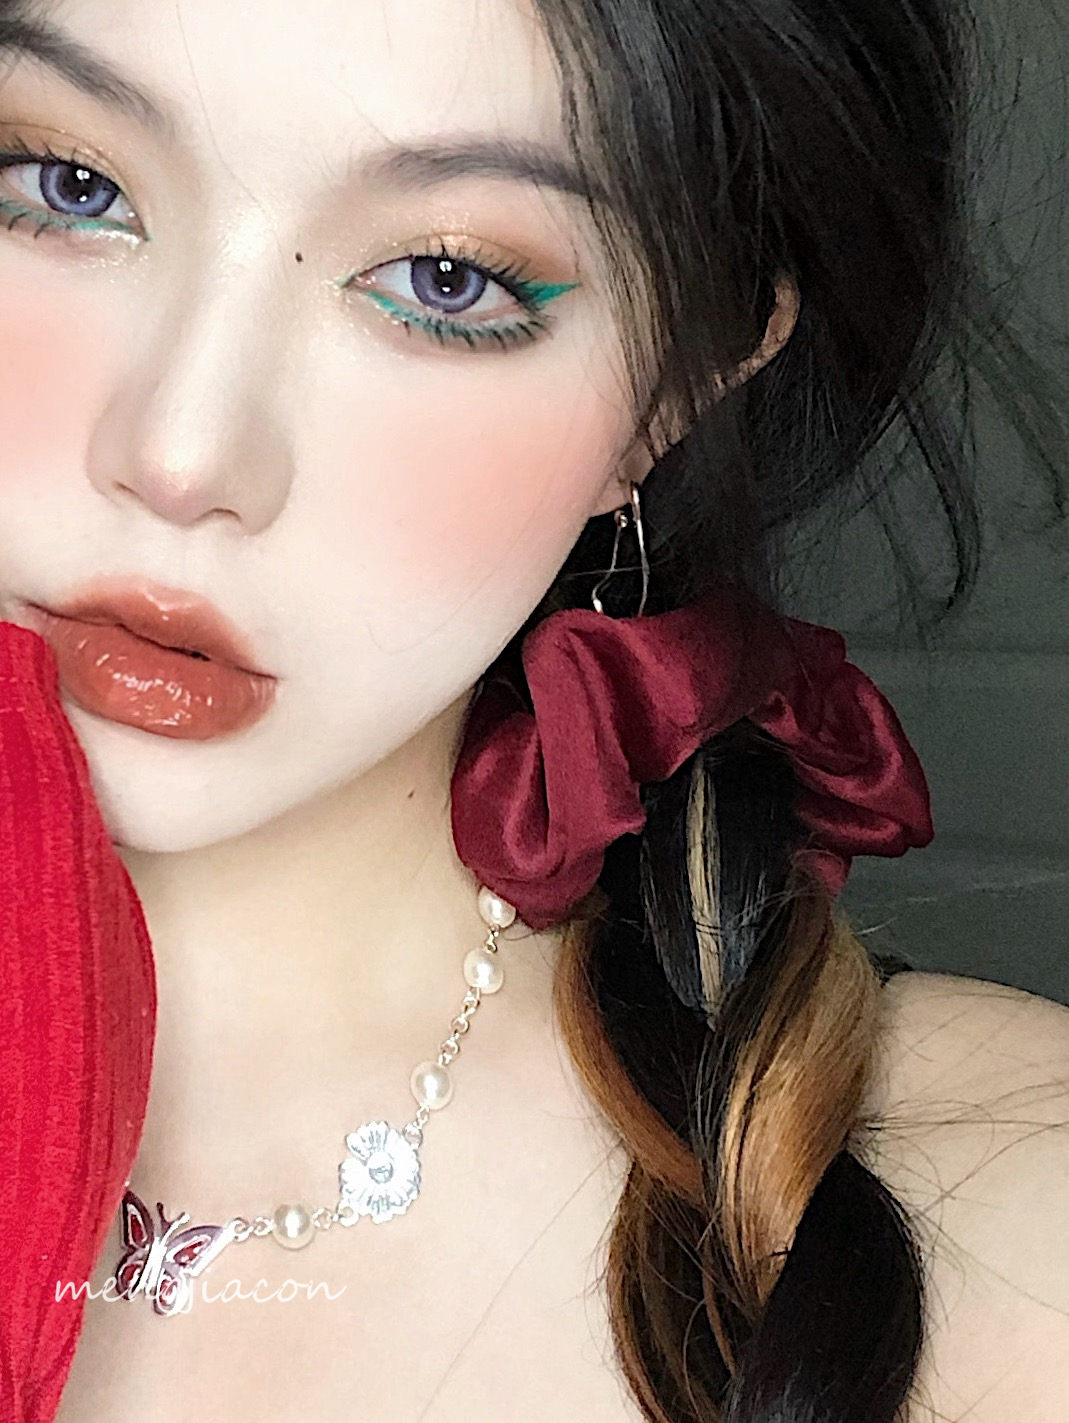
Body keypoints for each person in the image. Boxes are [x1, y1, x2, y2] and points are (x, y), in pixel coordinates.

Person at [0, 0, 1065, 1420]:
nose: (183, 456)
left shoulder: (1008, 1226)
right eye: (67, 186)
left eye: (445, 281)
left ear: (674, 388)